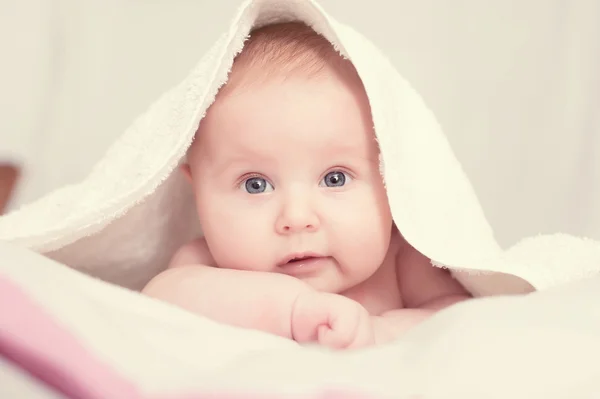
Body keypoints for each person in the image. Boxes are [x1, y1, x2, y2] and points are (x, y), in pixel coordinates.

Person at [142, 22, 471, 349]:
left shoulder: (400, 260)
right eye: (256, 185)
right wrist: (291, 311)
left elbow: (463, 318)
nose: (297, 218)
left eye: (335, 178)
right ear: (198, 192)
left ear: (390, 178)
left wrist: (380, 331)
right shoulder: (205, 264)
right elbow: (160, 301)